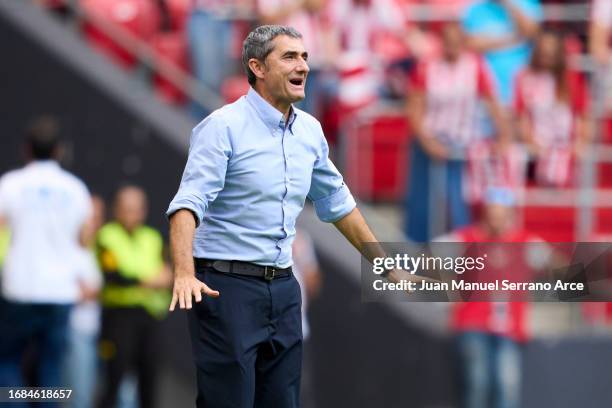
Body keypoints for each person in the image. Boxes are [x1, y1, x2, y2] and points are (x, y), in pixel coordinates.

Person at [166, 25, 411, 408]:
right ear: (257, 67)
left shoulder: (310, 131)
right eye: (290, 57)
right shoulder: (222, 127)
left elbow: (338, 202)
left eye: (305, 57)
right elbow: (187, 205)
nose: (304, 66)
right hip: (225, 287)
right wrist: (183, 272)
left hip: (283, 288)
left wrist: (384, 263)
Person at [0, 116, 93, 400]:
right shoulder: (75, 188)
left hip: (19, 287)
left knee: (8, 363)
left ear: (26, 149)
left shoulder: (12, 184)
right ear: (59, 150)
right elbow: (84, 239)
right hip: (59, 291)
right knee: (50, 367)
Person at [405, 22, 510, 242]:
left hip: (463, 147)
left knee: (458, 202)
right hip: (432, 144)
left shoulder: (475, 67)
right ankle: (418, 249)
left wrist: (503, 137)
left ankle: (464, 252)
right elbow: (415, 107)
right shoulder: (428, 67)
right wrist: (427, 141)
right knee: (425, 204)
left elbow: (493, 103)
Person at [443, 187, 538, 408]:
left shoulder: (525, 242)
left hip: (509, 327)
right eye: (493, 213)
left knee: (507, 385)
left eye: (501, 213)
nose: (497, 219)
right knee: (478, 382)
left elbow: (559, 266)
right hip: (472, 323)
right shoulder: (464, 239)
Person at [96, 185, 172, 408]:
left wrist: (165, 277)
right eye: (126, 208)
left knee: (150, 378)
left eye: (137, 209)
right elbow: (113, 275)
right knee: (114, 378)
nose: (132, 214)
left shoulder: (152, 238)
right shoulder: (106, 235)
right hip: (119, 316)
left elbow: (167, 273)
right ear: (116, 210)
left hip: (149, 316)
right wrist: (148, 281)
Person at [514, 30, 590, 187]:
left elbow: (582, 114)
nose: (547, 56)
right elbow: (522, 116)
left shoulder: (572, 76)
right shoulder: (525, 77)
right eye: (543, 51)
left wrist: (580, 142)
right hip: (537, 148)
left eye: (551, 52)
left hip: (566, 145)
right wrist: (530, 142)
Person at [63, 196, 105, 408]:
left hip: (101, 329)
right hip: (75, 331)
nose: (93, 222)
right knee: (78, 394)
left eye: (98, 217)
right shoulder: (64, 251)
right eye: (89, 217)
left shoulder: (100, 249)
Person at [462, 0, 542, 106]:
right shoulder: (474, 8)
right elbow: (471, 44)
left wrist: (507, 4)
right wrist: (514, 39)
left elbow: (531, 33)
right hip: (488, 93)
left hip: (524, 89)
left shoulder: (528, 3)